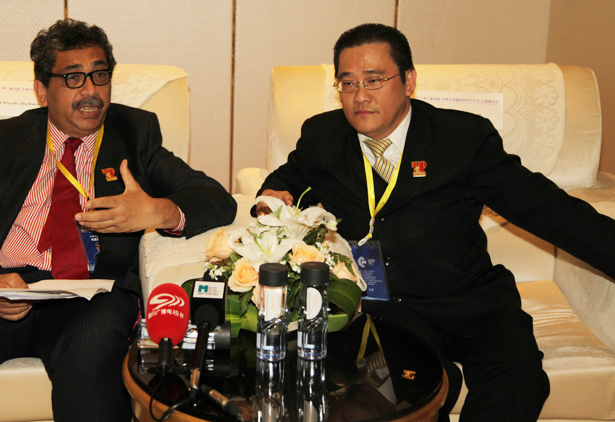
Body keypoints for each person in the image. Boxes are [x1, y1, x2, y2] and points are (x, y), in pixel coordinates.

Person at [257, 23, 615, 421]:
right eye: (348, 83)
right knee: (409, 394)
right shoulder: (322, 136)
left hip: (470, 298)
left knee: (518, 379)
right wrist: (271, 198)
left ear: (408, 81)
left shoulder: (461, 137)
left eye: (374, 80)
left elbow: (544, 207)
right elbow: (286, 180)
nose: (360, 96)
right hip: (389, 311)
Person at [0, 19, 237, 422]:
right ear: (41, 89)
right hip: (1, 288)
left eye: (100, 75)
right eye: (72, 77)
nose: (90, 91)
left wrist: (156, 211)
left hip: (89, 299)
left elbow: (216, 199)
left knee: (93, 350)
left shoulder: (135, 135)